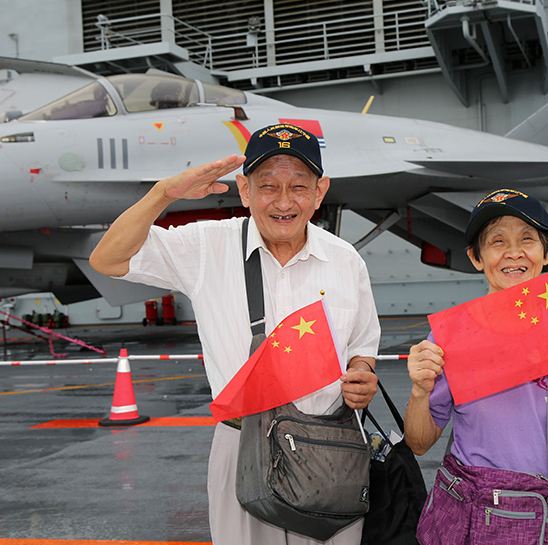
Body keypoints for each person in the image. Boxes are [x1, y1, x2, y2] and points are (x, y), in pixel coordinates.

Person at [89, 123, 380, 545]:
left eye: (299, 187)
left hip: (329, 448)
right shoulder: (207, 247)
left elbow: (362, 345)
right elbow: (108, 259)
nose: (284, 202)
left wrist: (362, 375)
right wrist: (163, 194)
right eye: (268, 186)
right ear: (244, 190)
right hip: (242, 446)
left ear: (320, 192)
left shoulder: (345, 260)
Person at [404, 189, 548, 544]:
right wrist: (419, 391)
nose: (514, 252)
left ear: (547, 253)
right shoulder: (452, 338)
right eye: (497, 241)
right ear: (476, 257)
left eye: (527, 239)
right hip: (486, 517)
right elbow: (419, 443)